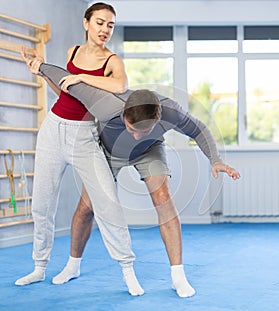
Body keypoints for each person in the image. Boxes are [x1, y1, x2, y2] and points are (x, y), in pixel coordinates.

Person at [36, 62, 241, 298]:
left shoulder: (171, 111)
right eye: (131, 129)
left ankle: (178, 275)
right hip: (109, 152)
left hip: (150, 150)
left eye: (142, 130)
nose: (135, 135)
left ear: (159, 118)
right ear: (124, 115)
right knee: (87, 208)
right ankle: (73, 265)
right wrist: (40, 65)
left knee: (163, 197)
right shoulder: (107, 106)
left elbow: (199, 129)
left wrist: (215, 160)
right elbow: (69, 82)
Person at [15, 2, 144, 296]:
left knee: (108, 201)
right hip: (52, 129)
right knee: (42, 204)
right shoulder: (73, 52)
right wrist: (42, 72)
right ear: (86, 23)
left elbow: (121, 85)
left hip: (83, 136)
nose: (105, 30)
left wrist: (82, 76)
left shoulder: (112, 61)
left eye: (110, 25)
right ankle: (39, 266)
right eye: (100, 23)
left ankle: (127, 270)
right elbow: (66, 91)